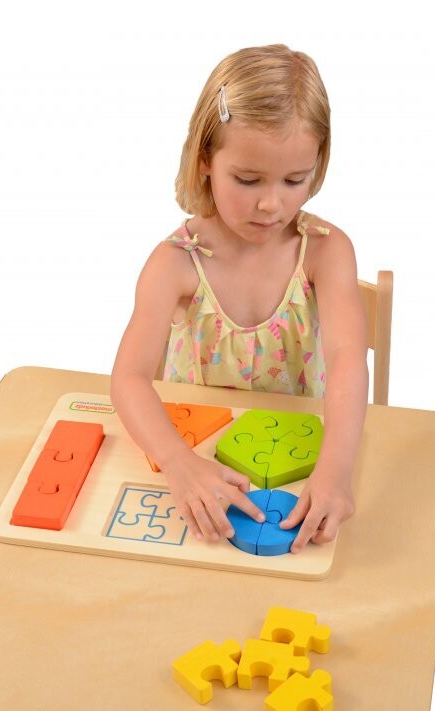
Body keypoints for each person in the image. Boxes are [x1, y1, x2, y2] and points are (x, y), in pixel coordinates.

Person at [111, 44, 368, 554]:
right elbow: (128, 378)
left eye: (295, 180)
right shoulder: (175, 262)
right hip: (199, 458)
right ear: (205, 159)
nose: (271, 203)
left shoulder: (325, 250)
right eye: (248, 180)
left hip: (303, 458)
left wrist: (336, 470)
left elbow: (347, 358)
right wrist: (177, 462)